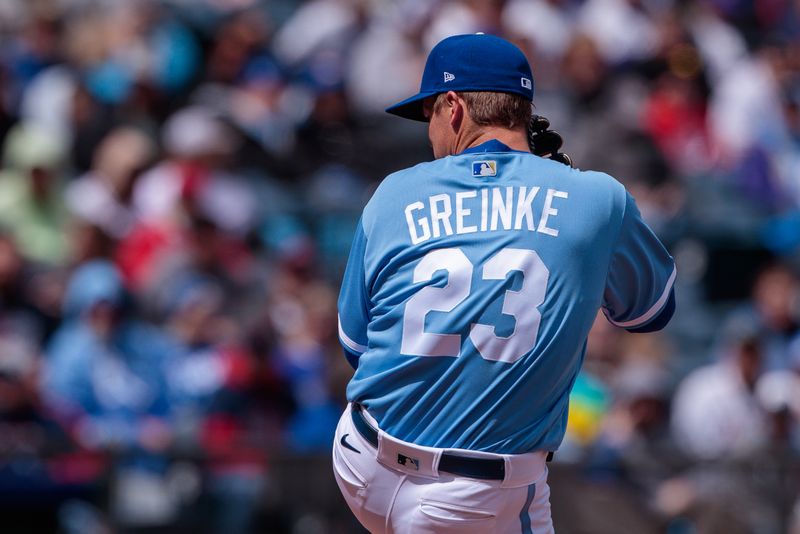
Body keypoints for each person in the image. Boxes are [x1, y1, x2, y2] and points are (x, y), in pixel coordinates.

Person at [334, 33, 676, 533]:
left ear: (453, 107)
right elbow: (650, 311)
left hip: (360, 459)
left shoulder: (391, 194)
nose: (429, 134)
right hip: (473, 496)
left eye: (428, 114)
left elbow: (356, 345)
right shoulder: (596, 199)